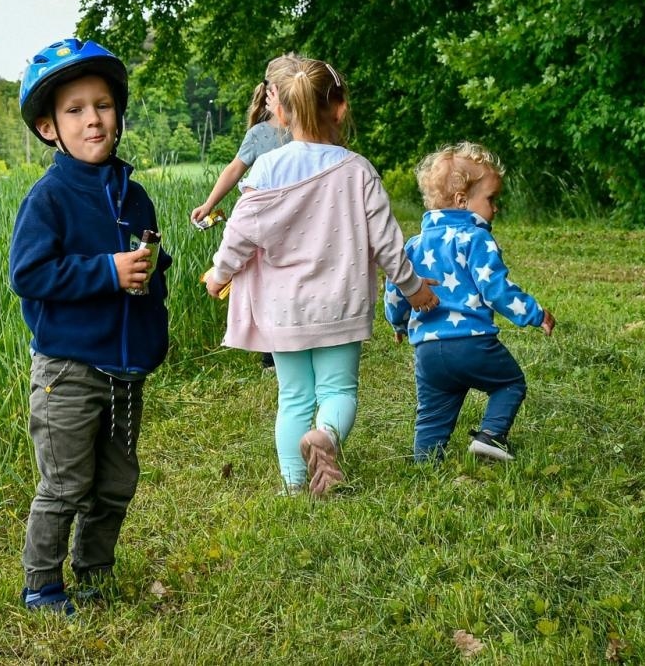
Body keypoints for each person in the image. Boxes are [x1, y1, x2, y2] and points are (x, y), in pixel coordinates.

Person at [205, 56, 439, 496]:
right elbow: (388, 244)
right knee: (339, 390)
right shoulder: (358, 170)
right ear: (341, 108)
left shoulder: (268, 169)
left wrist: (220, 274)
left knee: (293, 397)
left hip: (284, 309)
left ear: (282, 112)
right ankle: (326, 436)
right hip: (341, 304)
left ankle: (294, 488)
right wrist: (414, 289)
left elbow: (240, 232)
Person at [9, 37, 172, 613]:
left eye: (102, 105)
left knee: (115, 483)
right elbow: (29, 273)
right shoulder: (49, 197)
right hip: (69, 368)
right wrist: (108, 270)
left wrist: (150, 272)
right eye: (74, 110)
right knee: (65, 483)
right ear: (48, 127)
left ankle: (95, 573)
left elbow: (144, 271)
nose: (92, 119)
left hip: (126, 368)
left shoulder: (135, 196)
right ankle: (42, 584)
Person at [384, 143, 553, 463]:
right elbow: (496, 290)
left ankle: (425, 465)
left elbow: (396, 287)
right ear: (462, 201)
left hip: (428, 352)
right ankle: (490, 436)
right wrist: (534, 313)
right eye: (490, 199)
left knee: (432, 414)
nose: (496, 208)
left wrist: (397, 322)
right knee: (510, 384)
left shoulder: (415, 244)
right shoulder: (476, 239)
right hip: (473, 344)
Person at [191, 54, 298, 371]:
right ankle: (270, 357)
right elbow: (235, 169)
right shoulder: (259, 135)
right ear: (273, 93)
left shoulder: (307, 130)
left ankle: (303, 341)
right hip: (266, 226)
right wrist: (209, 204)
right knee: (267, 288)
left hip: (300, 222)